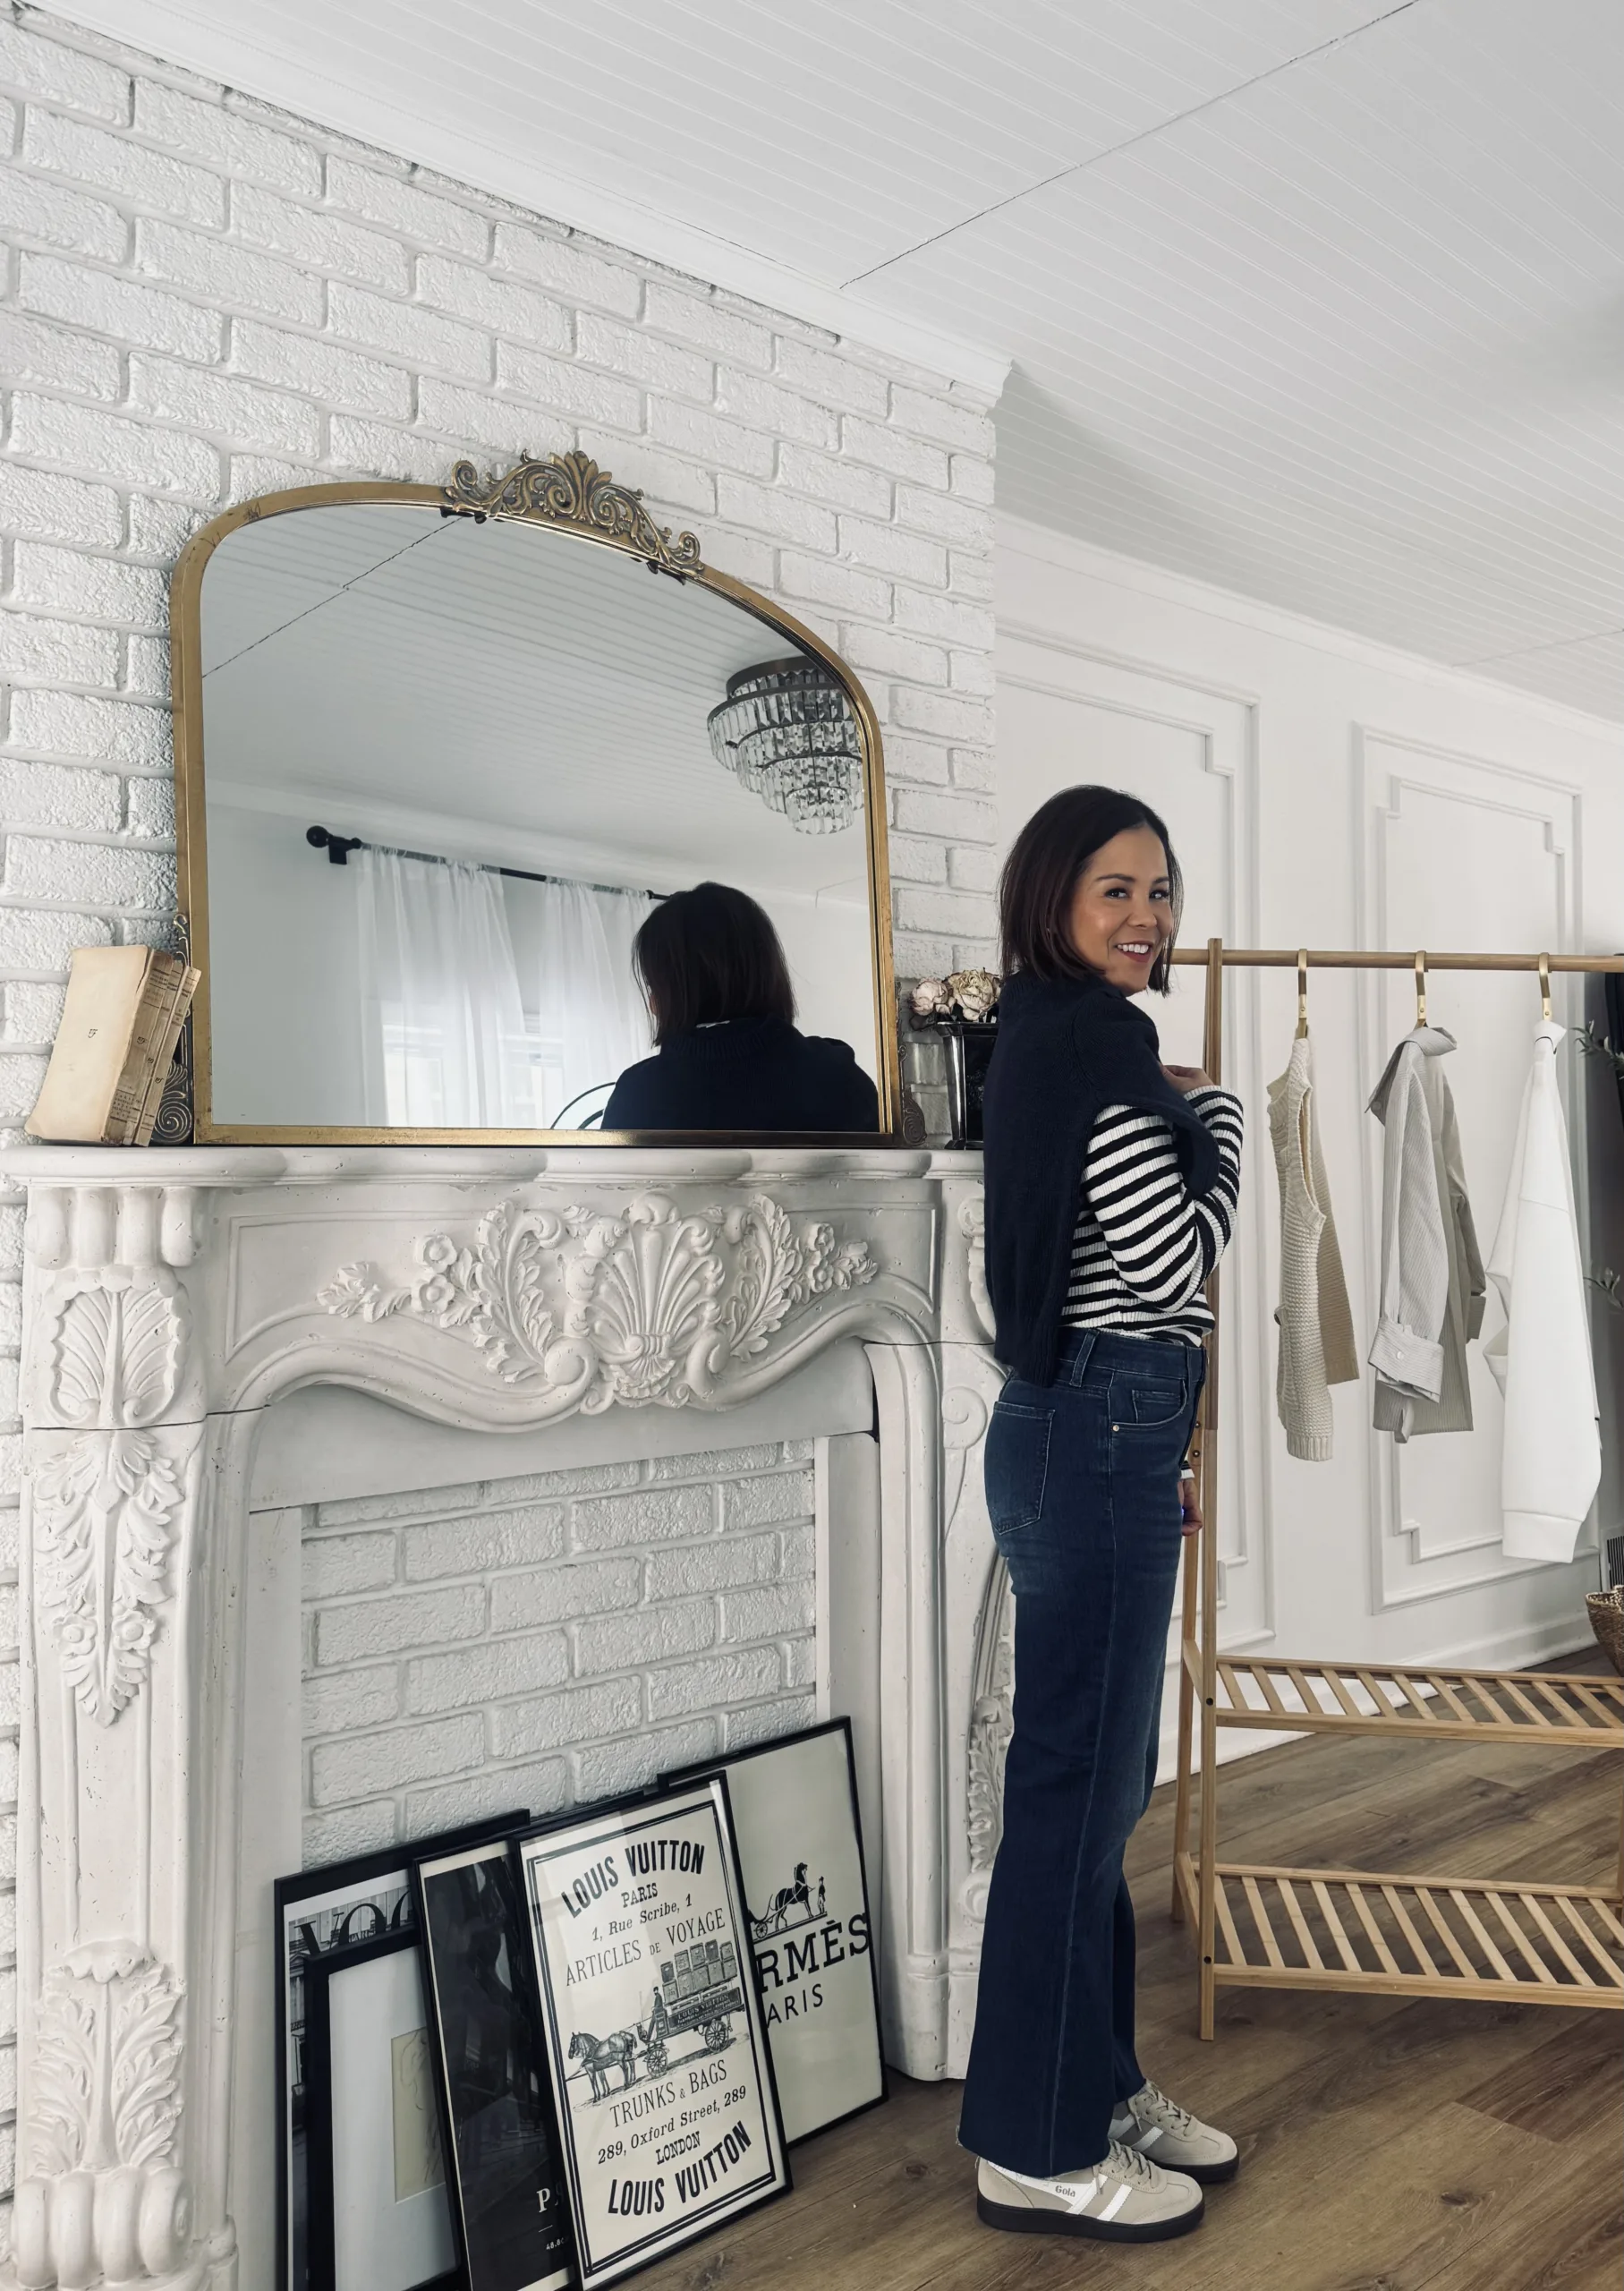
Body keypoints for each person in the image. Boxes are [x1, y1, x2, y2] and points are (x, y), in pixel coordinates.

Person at [961, 786, 1245, 2244]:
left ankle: (1101, 2083)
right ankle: (1033, 2141)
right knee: (1077, 1795)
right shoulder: (1101, 1043)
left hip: (1093, 1429)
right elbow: (1176, 1261)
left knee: (1096, 1791)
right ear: (1053, 901)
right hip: (1102, 1424)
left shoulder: (1043, 1038)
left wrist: (1160, 1459)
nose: (1146, 918)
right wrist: (1222, 1116)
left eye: (1160, 891)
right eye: (1114, 891)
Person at [601, 881, 879, 1132]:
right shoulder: (839, 1075)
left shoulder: (638, 1094)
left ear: (675, 990)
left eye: (654, 988)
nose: (652, 1004)